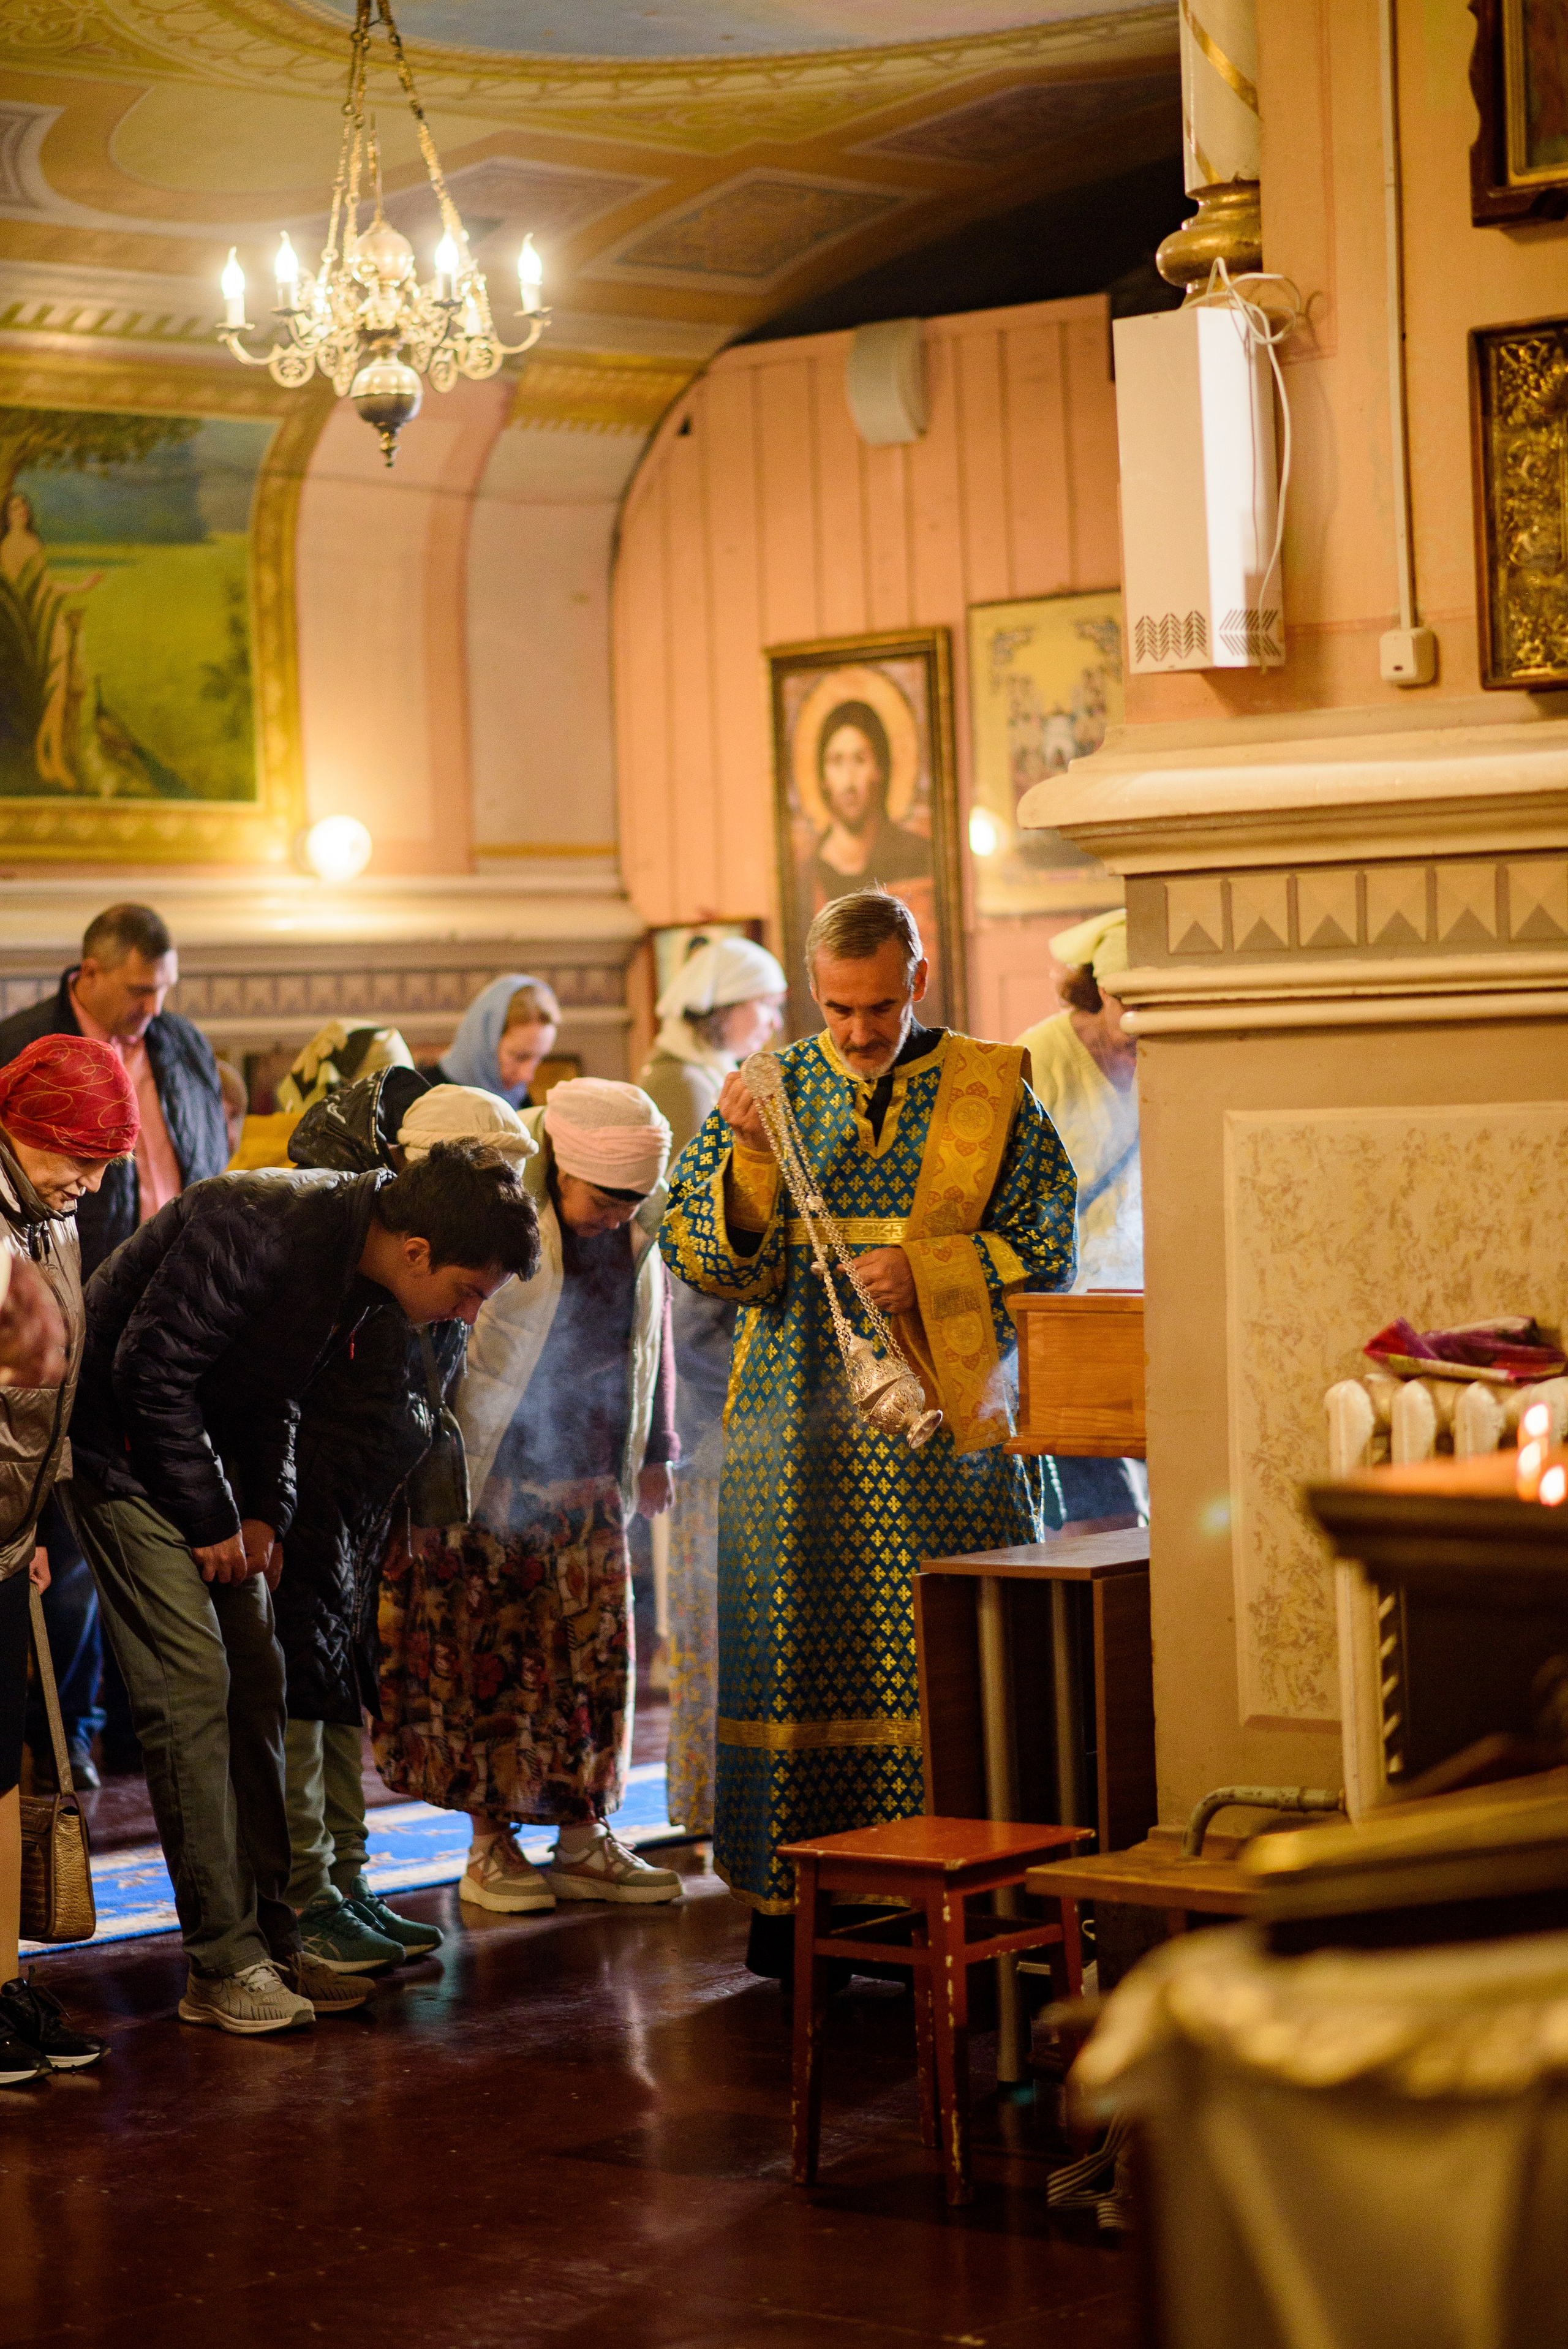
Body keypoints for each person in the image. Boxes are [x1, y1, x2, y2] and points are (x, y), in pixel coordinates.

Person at [658, 888, 1077, 1970]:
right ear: (813, 992)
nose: (857, 1031)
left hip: (949, 1442)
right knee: (802, 1650)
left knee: (950, 1652)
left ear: (919, 982)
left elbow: (1049, 1237)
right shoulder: (766, 1091)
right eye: (839, 1008)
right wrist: (751, 1163)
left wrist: (934, 1268)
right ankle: (812, 1908)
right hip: (796, 1440)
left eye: (880, 1005)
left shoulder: (991, 1087)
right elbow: (702, 1259)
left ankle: (968, 1895)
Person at [69, 1142, 538, 2039]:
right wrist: (212, 1513)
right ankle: (220, 1962)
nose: (470, 1311)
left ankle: (275, 1945)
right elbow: (147, 1374)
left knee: (260, 1674)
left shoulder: (355, 1263)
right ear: (416, 1250)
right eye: (471, 1288)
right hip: (114, 1453)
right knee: (194, 1687)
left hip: (203, 1464)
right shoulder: (263, 1224)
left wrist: (265, 1516)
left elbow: (279, 1393)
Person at [376, 1079, 684, 1913]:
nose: (618, 1215)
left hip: (593, 1477)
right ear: (562, 1168)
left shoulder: (639, 1226)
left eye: (633, 1200)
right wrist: (461, 1474)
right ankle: (490, 1845)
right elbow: (453, 1347)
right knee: (496, 1663)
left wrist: (657, 1446)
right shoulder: (504, 1208)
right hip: (495, 1480)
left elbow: (647, 1336)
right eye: (605, 1198)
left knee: (590, 1668)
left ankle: (585, 1835)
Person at [276, 1080, 539, 1975]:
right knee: (303, 1697)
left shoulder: (433, 1254)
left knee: (341, 1690)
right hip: (308, 1492)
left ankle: (348, 1883)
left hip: (361, 1497)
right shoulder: (348, 1249)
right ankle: (309, 1897)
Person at [0, 903, 229, 1789]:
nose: (97, 1185)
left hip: (116, 1349)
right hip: (31, 1420)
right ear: (89, 972)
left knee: (91, 1565)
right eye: (139, 991)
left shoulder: (176, 1044)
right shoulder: (27, 1055)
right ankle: (70, 1737)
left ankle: (93, 1732)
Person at [0, 1035, 139, 2083]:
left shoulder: (50, 1212)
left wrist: (39, 1524)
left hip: (10, 1531)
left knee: (6, 1767)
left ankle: (4, 1981)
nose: (90, 1179)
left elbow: (48, 1387)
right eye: (78, 1155)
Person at [638, 935, 786, 1837]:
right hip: (702, 1380)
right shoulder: (693, 1087)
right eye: (762, 1007)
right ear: (725, 1004)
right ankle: (710, 1795)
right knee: (711, 1594)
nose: (772, 1025)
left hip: (703, 1380)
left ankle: (710, 1793)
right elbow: (692, 1258)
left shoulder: (701, 1072)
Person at [1015, 908, 1146, 1531]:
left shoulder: (1173, 1049)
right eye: (1126, 999)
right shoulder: (1037, 1056)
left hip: (1142, 1303)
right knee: (1099, 1511)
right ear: (1097, 989)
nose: (1135, 1019)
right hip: (1061, 1313)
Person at [422, 976, 560, 1109]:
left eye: (539, 1059)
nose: (527, 1076)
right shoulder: (425, 1095)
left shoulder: (521, 1102)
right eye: (519, 1057)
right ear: (485, 1040)